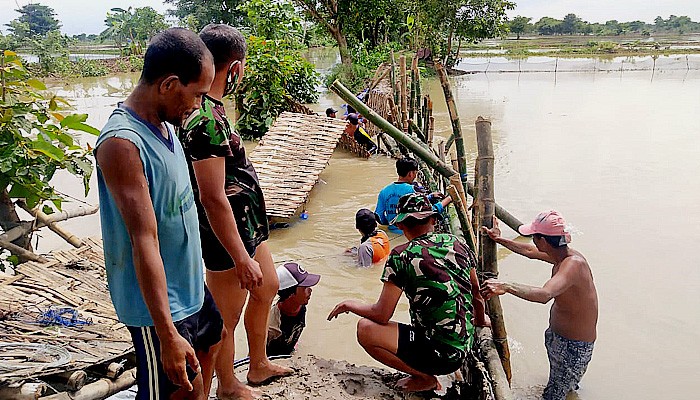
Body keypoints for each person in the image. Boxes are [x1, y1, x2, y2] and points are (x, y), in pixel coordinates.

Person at [95, 28, 223, 399]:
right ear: (168, 85)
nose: (199, 105)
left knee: (213, 340)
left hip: (188, 284)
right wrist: (166, 333)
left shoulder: (167, 126)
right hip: (160, 306)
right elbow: (143, 239)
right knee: (172, 388)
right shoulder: (122, 143)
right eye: (197, 94)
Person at [178, 24, 291, 397]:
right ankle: (228, 384)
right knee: (225, 318)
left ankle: (257, 364)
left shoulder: (212, 111)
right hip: (226, 236)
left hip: (247, 225)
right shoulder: (205, 120)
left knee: (269, 285)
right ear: (236, 68)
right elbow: (211, 197)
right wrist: (240, 257)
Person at [329, 193, 489, 392]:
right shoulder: (459, 244)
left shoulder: (401, 256)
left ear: (402, 225)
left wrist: (348, 304)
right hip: (463, 347)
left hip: (440, 355)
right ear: (433, 219)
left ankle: (424, 378)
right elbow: (476, 293)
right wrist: (481, 321)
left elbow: (382, 314)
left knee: (365, 329)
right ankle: (427, 371)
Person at [480, 211, 598, 400]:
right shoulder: (561, 255)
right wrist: (500, 240)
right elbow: (528, 251)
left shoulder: (573, 264)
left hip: (572, 348)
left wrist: (506, 286)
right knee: (560, 387)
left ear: (542, 240)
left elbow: (545, 294)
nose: (533, 241)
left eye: (534, 237)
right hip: (559, 338)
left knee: (553, 396)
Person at [375, 157, 451, 234]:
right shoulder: (414, 190)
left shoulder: (384, 191)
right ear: (411, 173)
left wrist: (391, 224)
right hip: (412, 234)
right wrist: (449, 199)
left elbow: (379, 217)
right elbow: (429, 212)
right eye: (415, 173)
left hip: (392, 233)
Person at [266, 262, 321, 356]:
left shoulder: (301, 306)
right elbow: (256, 355)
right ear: (291, 294)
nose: (310, 290)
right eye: (305, 287)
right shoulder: (272, 326)